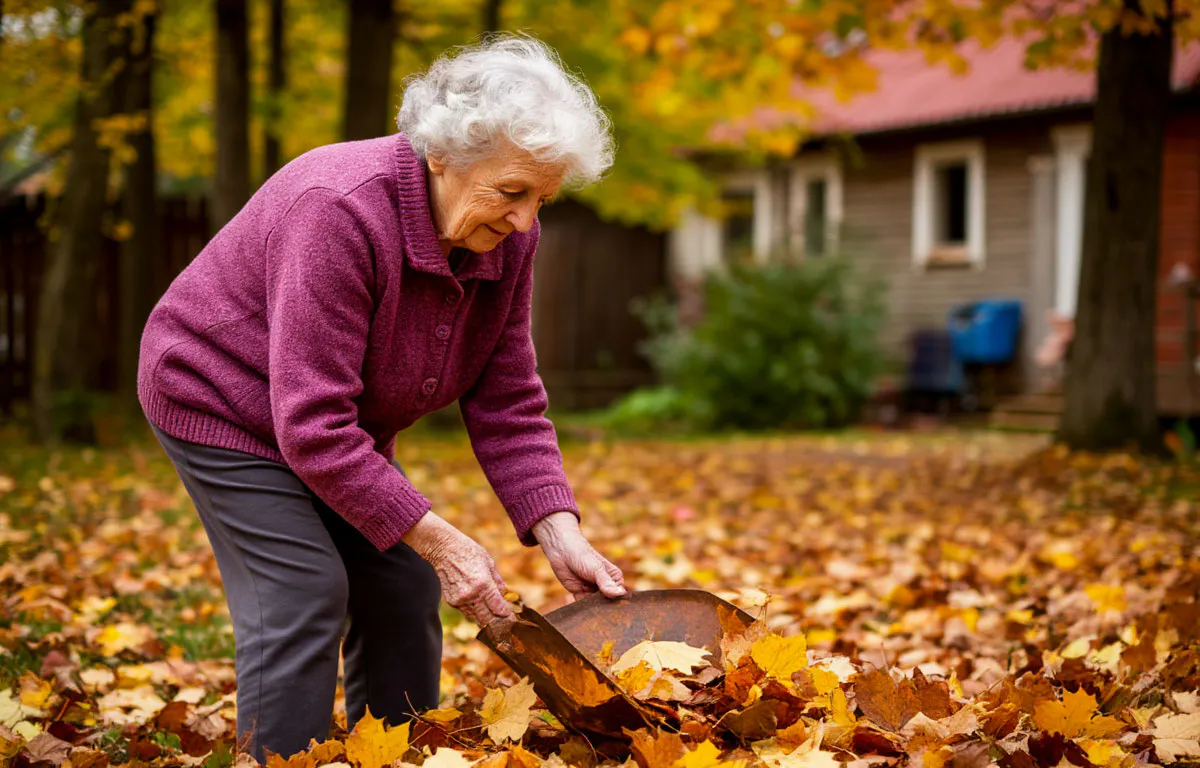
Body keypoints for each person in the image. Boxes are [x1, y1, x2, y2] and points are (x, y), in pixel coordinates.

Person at [137, 34, 626, 762]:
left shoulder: (507, 237)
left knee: (399, 583)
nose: (526, 221)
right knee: (303, 589)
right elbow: (312, 428)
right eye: (513, 192)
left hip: (330, 421)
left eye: (542, 199)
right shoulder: (337, 209)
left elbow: (509, 395)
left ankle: (394, 754)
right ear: (443, 156)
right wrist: (447, 539)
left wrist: (559, 531)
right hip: (221, 397)